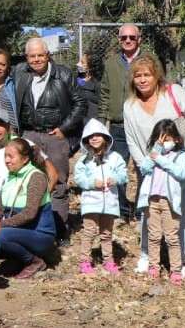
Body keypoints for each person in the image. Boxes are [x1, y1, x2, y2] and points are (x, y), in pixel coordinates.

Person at [122, 54, 185, 275]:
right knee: (148, 213)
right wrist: (143, 164)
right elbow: (131, 140)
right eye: (137, 75)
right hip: (150, 168)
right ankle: (147, 255)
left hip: (178, 165)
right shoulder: (130, 106)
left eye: (147, 74)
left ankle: (180, 261)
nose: (142, 80)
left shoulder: (173, 93)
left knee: (179, 211)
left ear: (156, 75)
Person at [13, 37, 85, 242]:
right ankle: (31, 227)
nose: (36, 60)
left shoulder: (63, 74)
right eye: (32, 56)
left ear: (48, 55)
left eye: (40, 55)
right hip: (29, 134)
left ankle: (59, 230)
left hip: (55, 136)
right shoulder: (20, 73)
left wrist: (65, 128)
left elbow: (80, 103)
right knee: (29, 182)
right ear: (26, 57)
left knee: (58, 183)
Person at [136, 119, 185, 285]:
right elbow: (144, 168)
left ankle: (176, 269)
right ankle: (154, 265)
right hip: (152, 200)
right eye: (159, 140)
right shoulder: (152, 155)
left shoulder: (181, 156)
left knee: (172, 237)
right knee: (153, 235)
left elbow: (183, 174)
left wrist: (161, 159)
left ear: (176, 139)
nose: (163, 143)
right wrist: (155, 152)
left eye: (166, 139)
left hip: (169, 202)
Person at [0, 139, 56, 278]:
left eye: (11, 156)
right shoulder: (9, 177)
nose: (7, 160)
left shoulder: (36, 177)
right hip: (20, 232)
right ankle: (16, 260)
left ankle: (34, 261)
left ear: (25, 159)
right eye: (5, 156)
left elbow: (29, 214)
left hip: (40, 235)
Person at [72, 118, 128, 275]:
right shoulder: (84, 160)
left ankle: (108, 262)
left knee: (106, 233)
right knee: (89, 231)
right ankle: (84, 261)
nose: (94, 138)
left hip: (109, 202)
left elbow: (124, 174)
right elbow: (79, 178)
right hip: (91, 202)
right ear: (86, 140)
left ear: (106, 137)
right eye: (91, 136)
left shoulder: (115, 157)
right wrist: (91, 183)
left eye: (98, 135)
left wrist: (115, 179)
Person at [99, 24, 142, 221]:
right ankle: (123, 208)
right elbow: (105, 94)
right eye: (124, 37)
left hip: (143, 126)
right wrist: (101, 125)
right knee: (118, 168)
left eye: (132, 37)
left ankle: (143, 209)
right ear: (119, 39)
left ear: (139, 39)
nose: (127, 40)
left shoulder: (149, 61)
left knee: (145, 169)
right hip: (118, 126)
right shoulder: (111, 63)